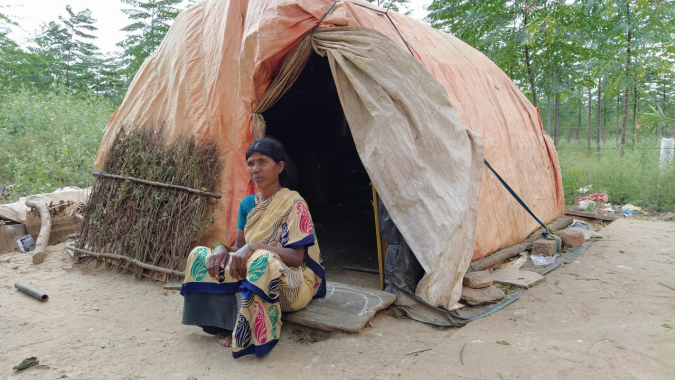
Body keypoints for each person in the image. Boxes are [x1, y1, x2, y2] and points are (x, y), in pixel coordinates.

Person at [180, 137, 325, 358]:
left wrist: (256, 246)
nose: (255, 169)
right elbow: (238, 247)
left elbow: (297, 258)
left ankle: (248, 331)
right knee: (201, 254)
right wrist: (220, 248)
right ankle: (220, 322)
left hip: (291, 284)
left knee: (261, 260)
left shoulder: (294, 203)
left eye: (262, 162)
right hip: (254, 272)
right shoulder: (248, 204)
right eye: (250, 163)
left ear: (279, 166)